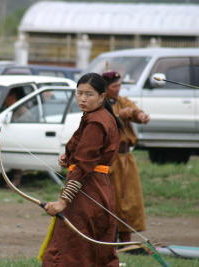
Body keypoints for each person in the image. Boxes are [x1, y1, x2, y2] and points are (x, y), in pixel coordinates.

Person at [40, 73, 122, 266]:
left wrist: (62, 201)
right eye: (80, 93)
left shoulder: (97, 122)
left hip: (88, 191)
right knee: (89, 250)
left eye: (89, 94)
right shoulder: (96, 116)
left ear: (102, 97)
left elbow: (84, 164)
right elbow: (85, 155)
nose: (83, 99)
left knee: (71, 252)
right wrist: (69, 159)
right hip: (97, 189)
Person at [102, 71, 150, 243]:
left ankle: (126, 241)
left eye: (119, 86)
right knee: (112, 199)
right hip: (110, 160)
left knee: (129, 199)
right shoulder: (100, 104)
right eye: (115, 86)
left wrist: (140, 115)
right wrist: (118, 116)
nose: (118, 89)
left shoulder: (122, 101)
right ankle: (110, 240)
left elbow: (134, 111)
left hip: (126, 159)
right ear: (106, 88)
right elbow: (103, 123)